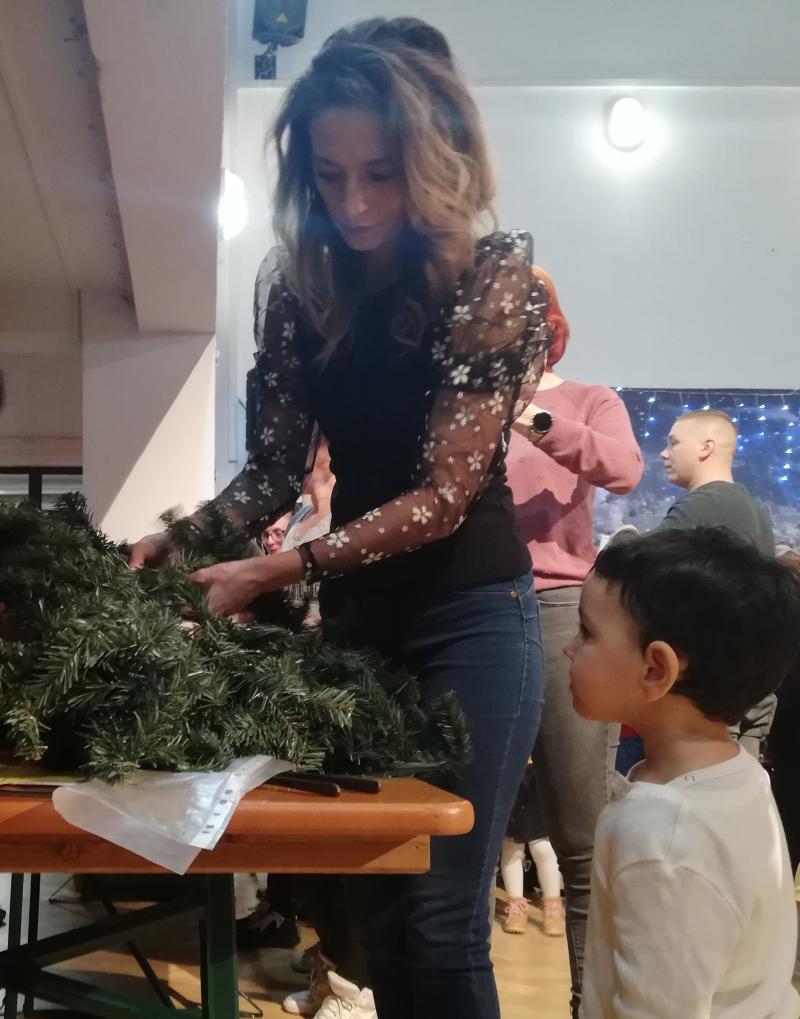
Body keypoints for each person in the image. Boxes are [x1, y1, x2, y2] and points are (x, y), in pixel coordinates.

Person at [130, 16, 551, 1019]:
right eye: (329, 176)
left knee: (440, 925)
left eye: (380, 174)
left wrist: (279, 569)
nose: (353, 203)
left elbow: (445, 497)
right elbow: (276, 470)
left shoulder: (492, 276)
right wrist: (181, 541)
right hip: (362, 629)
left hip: (471, 619)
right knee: (374, 916)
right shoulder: (297, 284)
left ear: (432, 162)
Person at [566, 528, 800, 1019]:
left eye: (586, 632)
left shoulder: (664, 839)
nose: (569, 649)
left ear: (656, 669)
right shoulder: (741, 775)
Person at [505, 266, 642, 1013]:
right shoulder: (460, 406)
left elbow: (623, 469)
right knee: (460, 826)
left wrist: (528, 416)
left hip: (559, 602)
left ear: (548, 323)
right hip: (476, 605)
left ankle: (590, 1002)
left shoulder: (588, 400)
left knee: (580, 828)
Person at [500, 764, 565, 937]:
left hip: (538, 774)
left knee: (542, 846)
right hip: (512, 772)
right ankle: (516, 906)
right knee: (511, 846)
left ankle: (553, 906)